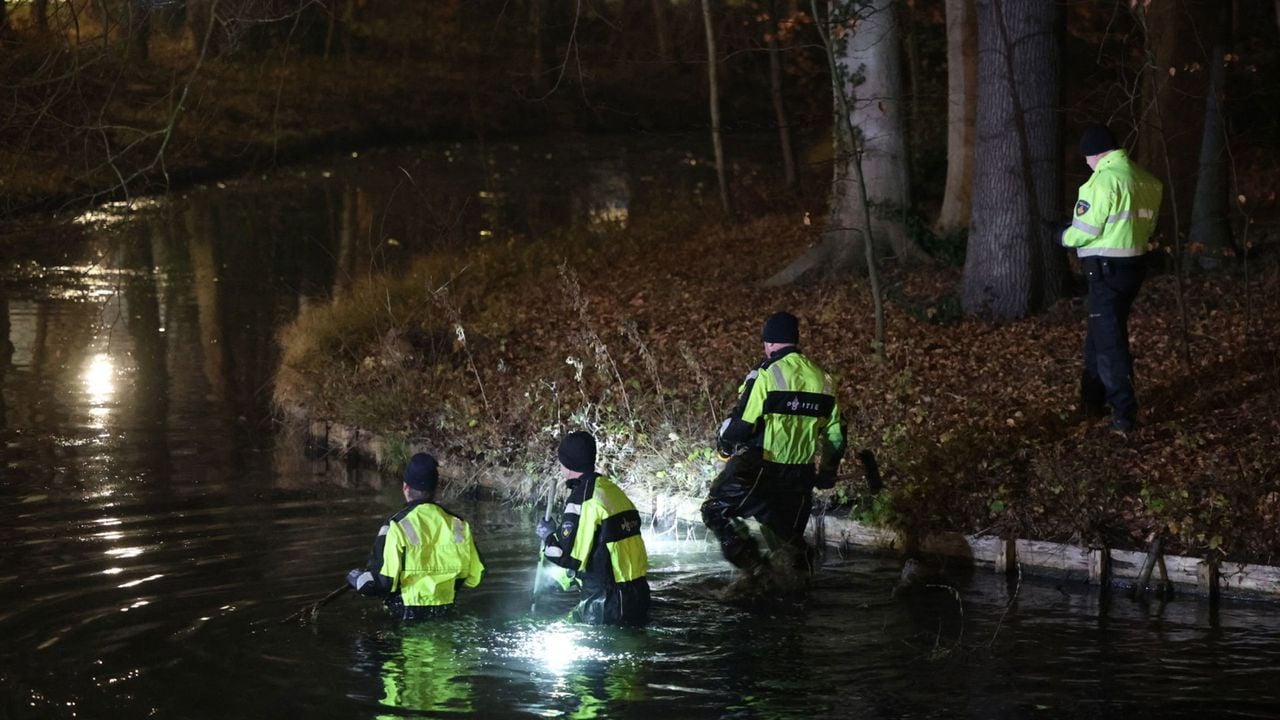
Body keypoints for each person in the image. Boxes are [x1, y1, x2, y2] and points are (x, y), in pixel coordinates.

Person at [701, 311, 846, 575]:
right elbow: (835, 435)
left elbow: (743, 424)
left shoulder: (766, 374)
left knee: (714, 510)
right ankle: (796, 589)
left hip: (764, 469)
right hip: (801, 476)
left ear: (769, 342)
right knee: (788, 546)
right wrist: (827, 471)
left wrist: (724, 447)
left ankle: (754, 569)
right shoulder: (823, 379)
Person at [1059, 123, 1163, 433]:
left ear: (1095, 154)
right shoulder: (1146, 180)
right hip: (1133, 269)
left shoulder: (1101, 182)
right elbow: (1145, 227)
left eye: (1086, 158)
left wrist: (1061, 235)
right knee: (1099, 335)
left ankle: (1123, 416)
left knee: (1109, 344)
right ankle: (1092, 403)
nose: (1087, 164)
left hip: (1105, 272)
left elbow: (1084, 232)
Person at [346, 453, 485, 620]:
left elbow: (382, 583)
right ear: (434, 489)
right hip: (445, 614)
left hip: (405, 618)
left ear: (405, 487)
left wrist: (357, 578)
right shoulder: (459, 525)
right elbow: (476, 576)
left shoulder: (396, 526)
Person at [536, 431, 650, 626]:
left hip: (607, 602)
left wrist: (547, 536)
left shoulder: (583, 499)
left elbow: (569, 558)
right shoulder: (611, 490)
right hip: (638, 593)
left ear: (568, 463)